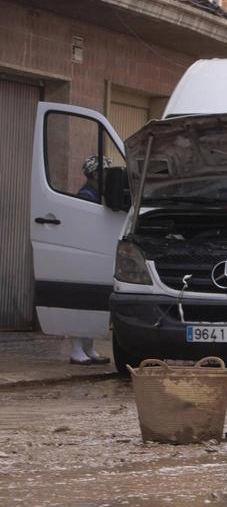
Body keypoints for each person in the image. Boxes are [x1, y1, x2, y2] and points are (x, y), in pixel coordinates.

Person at [67, 156, 113, 365]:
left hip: (94, 255)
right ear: (95, 174)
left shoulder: (97, 195)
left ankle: (89, 348)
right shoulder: (86, 197)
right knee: (79, 302)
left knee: (93, 302)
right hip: (83, 257)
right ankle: (77, 350)